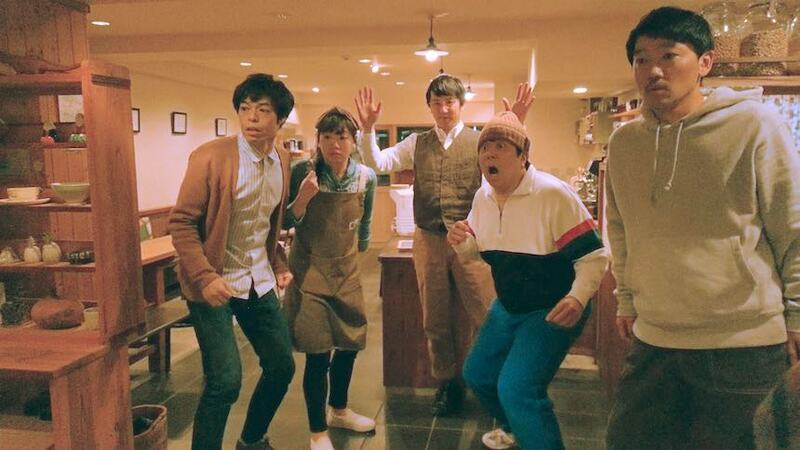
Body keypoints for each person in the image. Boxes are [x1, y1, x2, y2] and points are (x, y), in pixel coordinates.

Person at [605, 7, 800, 450]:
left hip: (742, 343)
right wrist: (627, 298)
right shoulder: (625, 143)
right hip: (654, 337)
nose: (653, 70)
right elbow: (621, 229)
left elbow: (793, 226)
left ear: (705, 63)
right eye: (641, 59)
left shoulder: (754, 125)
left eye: (668, 55)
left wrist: (796, 314)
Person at [354, 76, 533, 416]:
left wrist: (517, 124)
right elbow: (379, 163)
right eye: (437, 102)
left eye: (450, 101)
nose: (444, 108)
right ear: (430, 107)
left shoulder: (480, 141)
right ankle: (448, 383)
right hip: (428, 239)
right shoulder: (416, 143)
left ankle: (494, 380)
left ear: (461, 104)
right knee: (434, 317)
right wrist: (367, 130)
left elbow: (514, 168)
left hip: (471, 238)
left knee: (486, 311)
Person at [448, 111, 607, 450]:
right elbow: (476, 254)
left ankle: (534, 434)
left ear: (523, 157)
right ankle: (516, 428)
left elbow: (594, 256)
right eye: (485, 148)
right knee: (477, 374)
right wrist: (462, 242)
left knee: (517, 388)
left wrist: (578, 297)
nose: (489, 154)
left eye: (500, 146)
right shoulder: (482, 198)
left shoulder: (553, 194)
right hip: (508, 305)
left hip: (552, 307)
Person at [169, 73, 296, 450]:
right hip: (211, 281)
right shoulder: (211, 157)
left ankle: (252, 440)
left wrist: (279, 263)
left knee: (281, 366)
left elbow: (265, 222)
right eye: (245, 108)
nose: (252, 117)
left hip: (258, 279)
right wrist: (205, 277)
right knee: (225, 381)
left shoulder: (282, 159)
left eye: (263, 110)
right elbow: (181, 222)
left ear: (280, 119)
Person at [282, 107, 377, 450]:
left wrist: (358, 250)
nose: (335, 144)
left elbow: (365, 224)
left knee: (350, 344)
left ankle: (339, 409)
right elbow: (285, 222)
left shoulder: (366, 177)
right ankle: (317, 431)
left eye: (342, 136)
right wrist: (303, 198)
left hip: (346, 273)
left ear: (353, 141)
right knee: (318, 353)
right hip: (309, 273)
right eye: (327, 136)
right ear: (318, 140)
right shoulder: (301, 172)